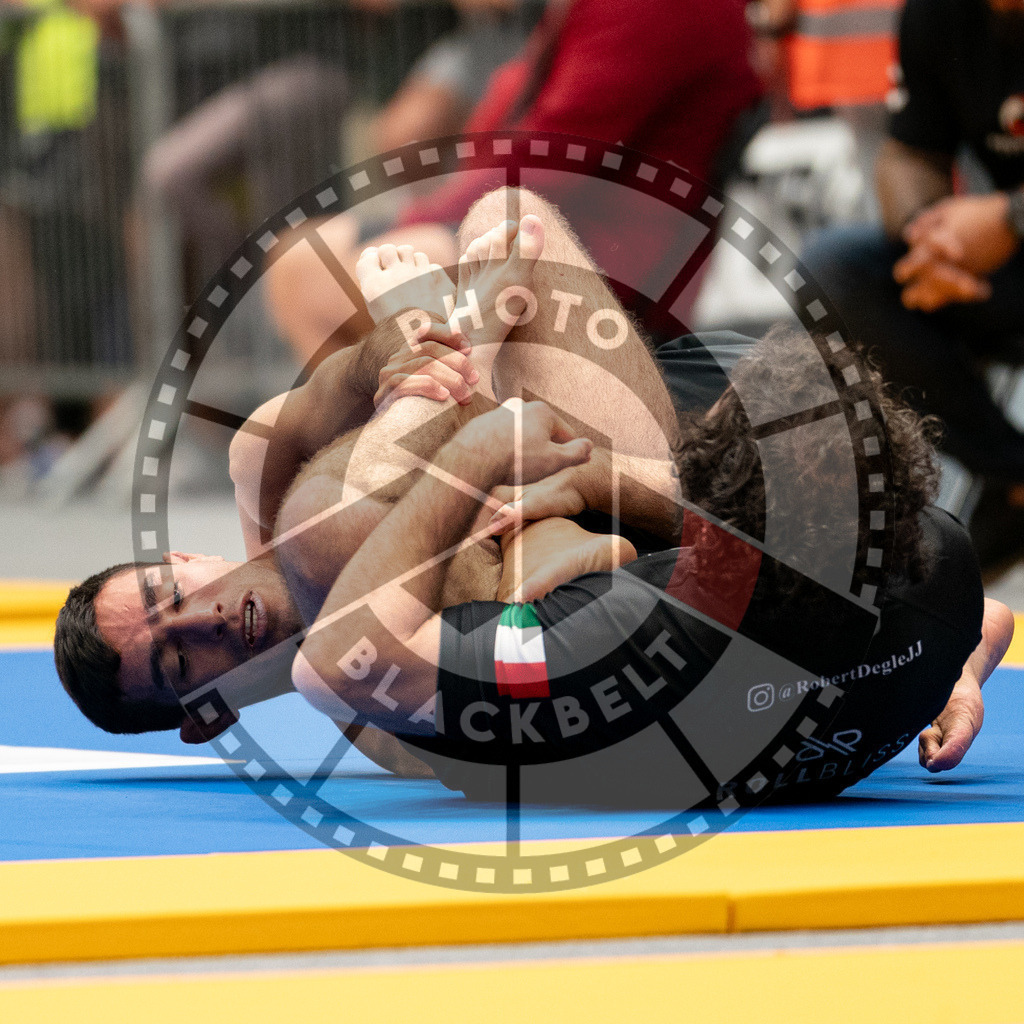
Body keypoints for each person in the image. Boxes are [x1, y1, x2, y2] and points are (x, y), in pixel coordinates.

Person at [56, 187, 1008, 804]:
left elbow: (335, 645)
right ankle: (471, 372)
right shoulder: (929, 572)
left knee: (304, 484)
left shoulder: (646, 617)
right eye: (186, 661)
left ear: (182, 558)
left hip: (626, 564)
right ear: (207, 715)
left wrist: (421, 361)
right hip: (658, 558)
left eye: (170, 600)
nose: (205, 619)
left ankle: (464, 370)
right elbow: (982, 609)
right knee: (329, 514)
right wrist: (475, 425)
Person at [264, 0, 763, 361]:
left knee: (342, 277)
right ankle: (376, 462)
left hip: (605, 267)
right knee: (299, 258)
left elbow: (552, 155)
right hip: (544, 225)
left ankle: (421, 469)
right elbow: (508, 125)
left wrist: (414, 218)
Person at [801, 0, 1024, 571]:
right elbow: (908, 151)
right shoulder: (940, 12)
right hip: (1000, 271)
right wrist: (926, 237)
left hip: (1009, 235)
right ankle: (1014, 477)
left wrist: (1008, 219)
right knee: (836, 274)